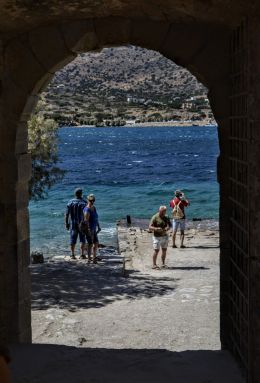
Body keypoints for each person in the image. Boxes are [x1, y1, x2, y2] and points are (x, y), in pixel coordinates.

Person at [65, 188, 87, 259]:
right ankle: (82, 254)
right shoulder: (84, 202)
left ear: (75, 194)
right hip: (82, 224)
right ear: (81, 194)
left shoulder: (70, 202)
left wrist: (66, 223)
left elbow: (67, 214)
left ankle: (72, 254)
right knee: (82, 239)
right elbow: (86, 214)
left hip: (73, 223)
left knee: (72, 238)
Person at [83, 194, 101, 264]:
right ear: (88, 200)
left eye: (93, 200)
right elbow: (86, 221)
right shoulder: (87, 209)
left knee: (96, 243)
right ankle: (89, 259)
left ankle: (94, 257)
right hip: (89, 229)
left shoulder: (94, 208)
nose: (92, 201)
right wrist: (88, 231)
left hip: (94, 228)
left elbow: (96, 218)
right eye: (91, 200)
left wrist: (98, 226)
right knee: (90, 244)